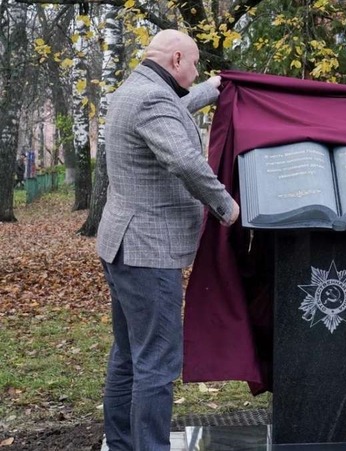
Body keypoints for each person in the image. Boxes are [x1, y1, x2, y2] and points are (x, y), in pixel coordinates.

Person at [96, 29, 239, 451]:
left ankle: (122, 444)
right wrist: (225, 206)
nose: (196, 73)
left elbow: (169, 112)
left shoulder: (132, 89)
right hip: (148, 252)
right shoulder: (151, 99)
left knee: (128, 355)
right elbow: (183, 159)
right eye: (195, 65)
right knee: (156, 364)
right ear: (177, 59)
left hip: (122, 244)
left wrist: (210, 91)